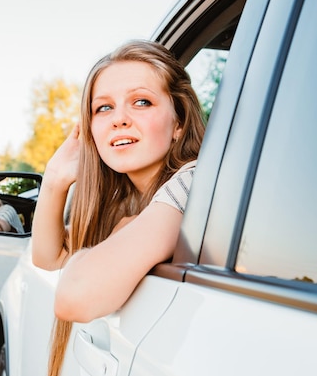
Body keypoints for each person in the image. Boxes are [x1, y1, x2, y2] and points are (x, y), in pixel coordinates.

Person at [31, 40, 206, 376]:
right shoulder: (127, 202)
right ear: (89, 129)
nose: (119, 119)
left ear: (178, 123)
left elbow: (74, 296)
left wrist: (119, 233)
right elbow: (47, 257)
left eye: (141, 102)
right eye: (104, 108)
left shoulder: (192, 185)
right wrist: (54, 180)